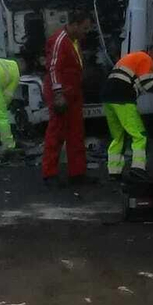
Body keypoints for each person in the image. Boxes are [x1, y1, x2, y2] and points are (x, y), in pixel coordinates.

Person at [41, 11, 95, 185]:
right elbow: (53, 68)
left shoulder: (73, 41)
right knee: (56, 132)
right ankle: (50, 173)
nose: (86, 32)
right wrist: (58, 94)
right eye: (84, 28)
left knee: (76, 132)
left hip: (72, 92)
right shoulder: (59, 41)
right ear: (74, 25)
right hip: (62, 93)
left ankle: (77, 173)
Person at [101, 44, 153, 179]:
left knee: (118, 136)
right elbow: (148, 83)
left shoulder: (133, 57)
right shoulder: (146, 59)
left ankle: (114, 172)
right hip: (123, 98)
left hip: (108, 98)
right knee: (140, 135)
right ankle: (138, 169)